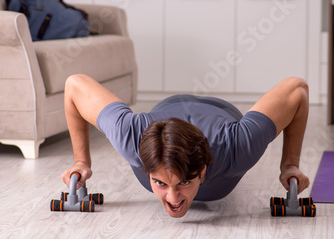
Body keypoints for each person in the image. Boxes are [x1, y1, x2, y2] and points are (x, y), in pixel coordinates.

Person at [62, 74, 310, 218]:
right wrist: (81, 162)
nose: (172, 198)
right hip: (169, 106)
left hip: (220, 111)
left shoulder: (238, 145)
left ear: (203, 171)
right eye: (160, 183)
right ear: (146, 169)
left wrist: (290, 165)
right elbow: (74, 84)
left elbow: (297, 89)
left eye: (184, 182)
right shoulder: (131, 137)